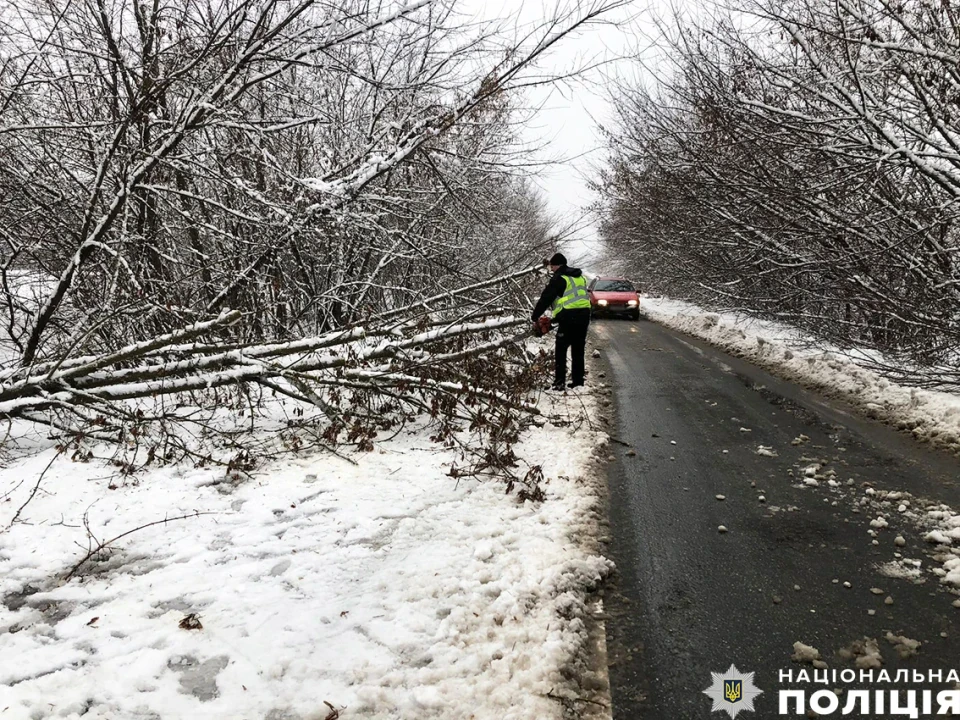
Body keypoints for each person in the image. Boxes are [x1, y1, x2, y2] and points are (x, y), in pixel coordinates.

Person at [531, 252, 591, 390]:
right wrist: (556, 318)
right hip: (584, 316)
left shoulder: (559, 278)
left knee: (561, 349)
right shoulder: (579, 277)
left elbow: (546, 298)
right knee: (578, 349)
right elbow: (575, 299)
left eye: (552, 267)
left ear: (556, 265)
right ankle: (578, 382)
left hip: (569, 317)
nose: (551, 270)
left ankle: (559, 383)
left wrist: (535, 316)